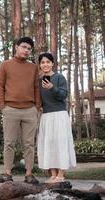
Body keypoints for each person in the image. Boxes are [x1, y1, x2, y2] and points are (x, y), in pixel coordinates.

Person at [0, 37, 41, 184]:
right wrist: (3, 106)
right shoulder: (5, 65)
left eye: (29, 48)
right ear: (16, 47)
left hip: (30, 110)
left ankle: (29, 174)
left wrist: (37, 107)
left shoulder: (33, 68)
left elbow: (36, 88)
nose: (26, 50)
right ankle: (7, 173)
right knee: (9, 142)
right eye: (24, 47)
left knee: (29, 144)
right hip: (10, 109)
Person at [37, 52, 77, 183]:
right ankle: (53, 174)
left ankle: (61, 174)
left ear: (52, 64)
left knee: (60, 143)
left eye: (48, 62)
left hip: (59, 115)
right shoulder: (39, 81)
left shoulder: (59, 78)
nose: (45, 64)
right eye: (43, 62)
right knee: (49, 144)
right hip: (46, 116)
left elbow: (63, 95)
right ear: (40, 65)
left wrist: (52, 88)